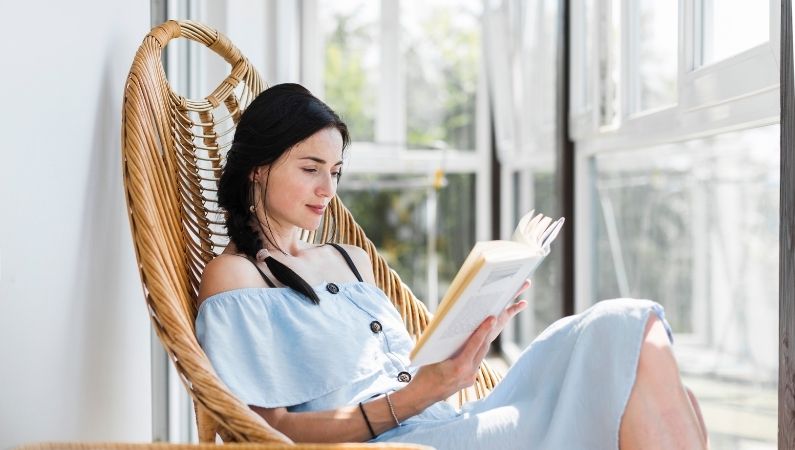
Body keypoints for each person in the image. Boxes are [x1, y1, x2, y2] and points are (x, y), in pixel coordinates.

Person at [196, 83, 709, 449]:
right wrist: (419, 395)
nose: (329, 190)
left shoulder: (349, 260)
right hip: (411, 438)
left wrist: (471, 338)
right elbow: (269, 431)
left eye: (335, 172)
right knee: (629, 350)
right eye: (310, 169)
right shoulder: (237, 277)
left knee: (634, 335)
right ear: (259, 169)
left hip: (455, 417)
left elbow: (410, 365)